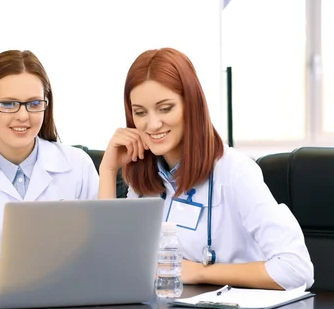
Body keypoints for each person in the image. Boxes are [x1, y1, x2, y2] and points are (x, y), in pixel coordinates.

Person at [99, 47, 314, 290]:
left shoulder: (234, 171)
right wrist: (108, 170)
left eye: (165, 108)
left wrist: (200, 272)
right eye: (140, 113)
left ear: (191, 105)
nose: (153, 124)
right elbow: (111, 264)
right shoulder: (144, 178)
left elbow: (296, 270)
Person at [0, 50, 99, 283]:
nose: (23, 116)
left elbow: (98, 241)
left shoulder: (78, 165)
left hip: (69, 296)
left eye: (34, 103)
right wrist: (14, 276)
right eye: (9, 104)